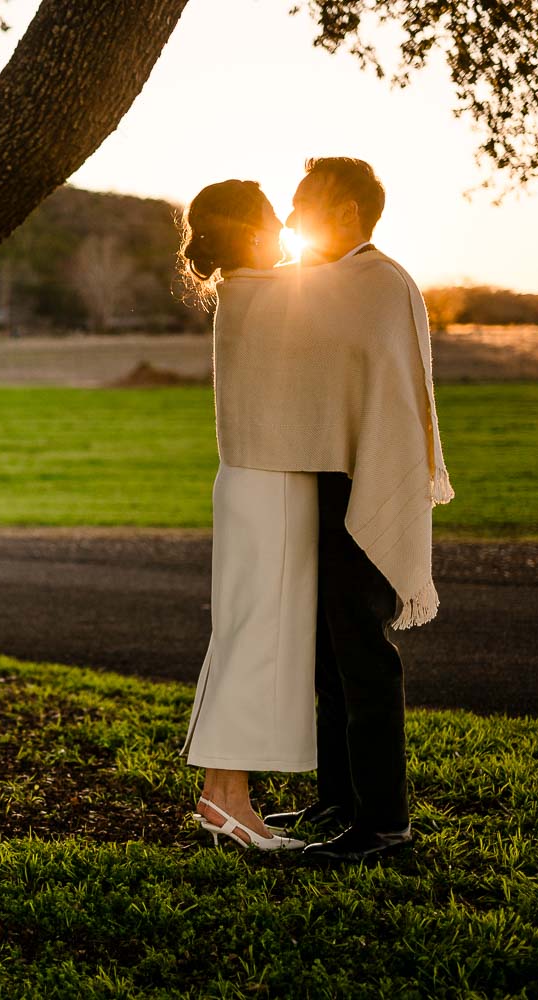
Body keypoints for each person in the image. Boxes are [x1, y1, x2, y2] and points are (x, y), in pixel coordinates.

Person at [219, 157, 454, 863]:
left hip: (365, 486)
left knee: (363, 657)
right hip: (320, 487)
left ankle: (385, 825)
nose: (289, 221)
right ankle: (340, 797)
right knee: (325, 654)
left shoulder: (380, 285)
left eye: (301, 207)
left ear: (347, 213)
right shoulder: (320, 285)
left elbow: (385, 400)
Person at [174, 179, 314, 852]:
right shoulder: (275, 292)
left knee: (246, 637)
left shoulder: (241, 291)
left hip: (249, 485)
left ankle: (226, 796)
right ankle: (226, 799)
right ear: (259, 234)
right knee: (255, 640)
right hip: (271, 489)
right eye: (275, 221)